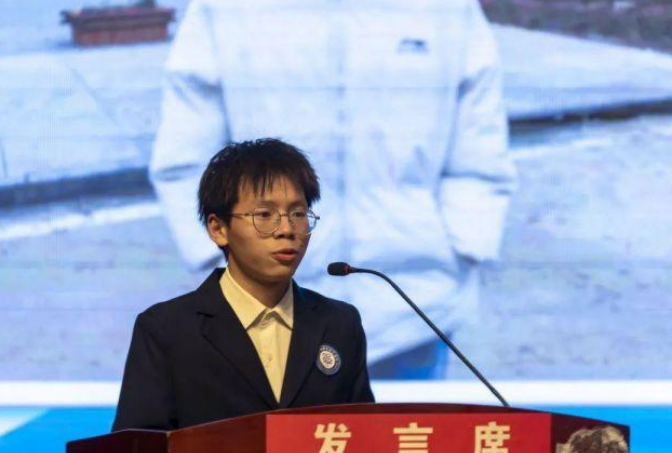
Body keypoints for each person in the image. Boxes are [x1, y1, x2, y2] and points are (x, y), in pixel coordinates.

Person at [149, 0, 517, 378]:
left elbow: (479, 144)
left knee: (407, 419)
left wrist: (462, 246)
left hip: (411, 309)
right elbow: (187, 157)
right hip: (266, 310)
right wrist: (222, 259)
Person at [113, 139, 374, 431]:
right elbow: (137, 444)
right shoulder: (166, 330)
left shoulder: (340, 324)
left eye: (298, 214)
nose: (287, 230)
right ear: (218, 229)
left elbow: (365, 436)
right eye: (264, 215)